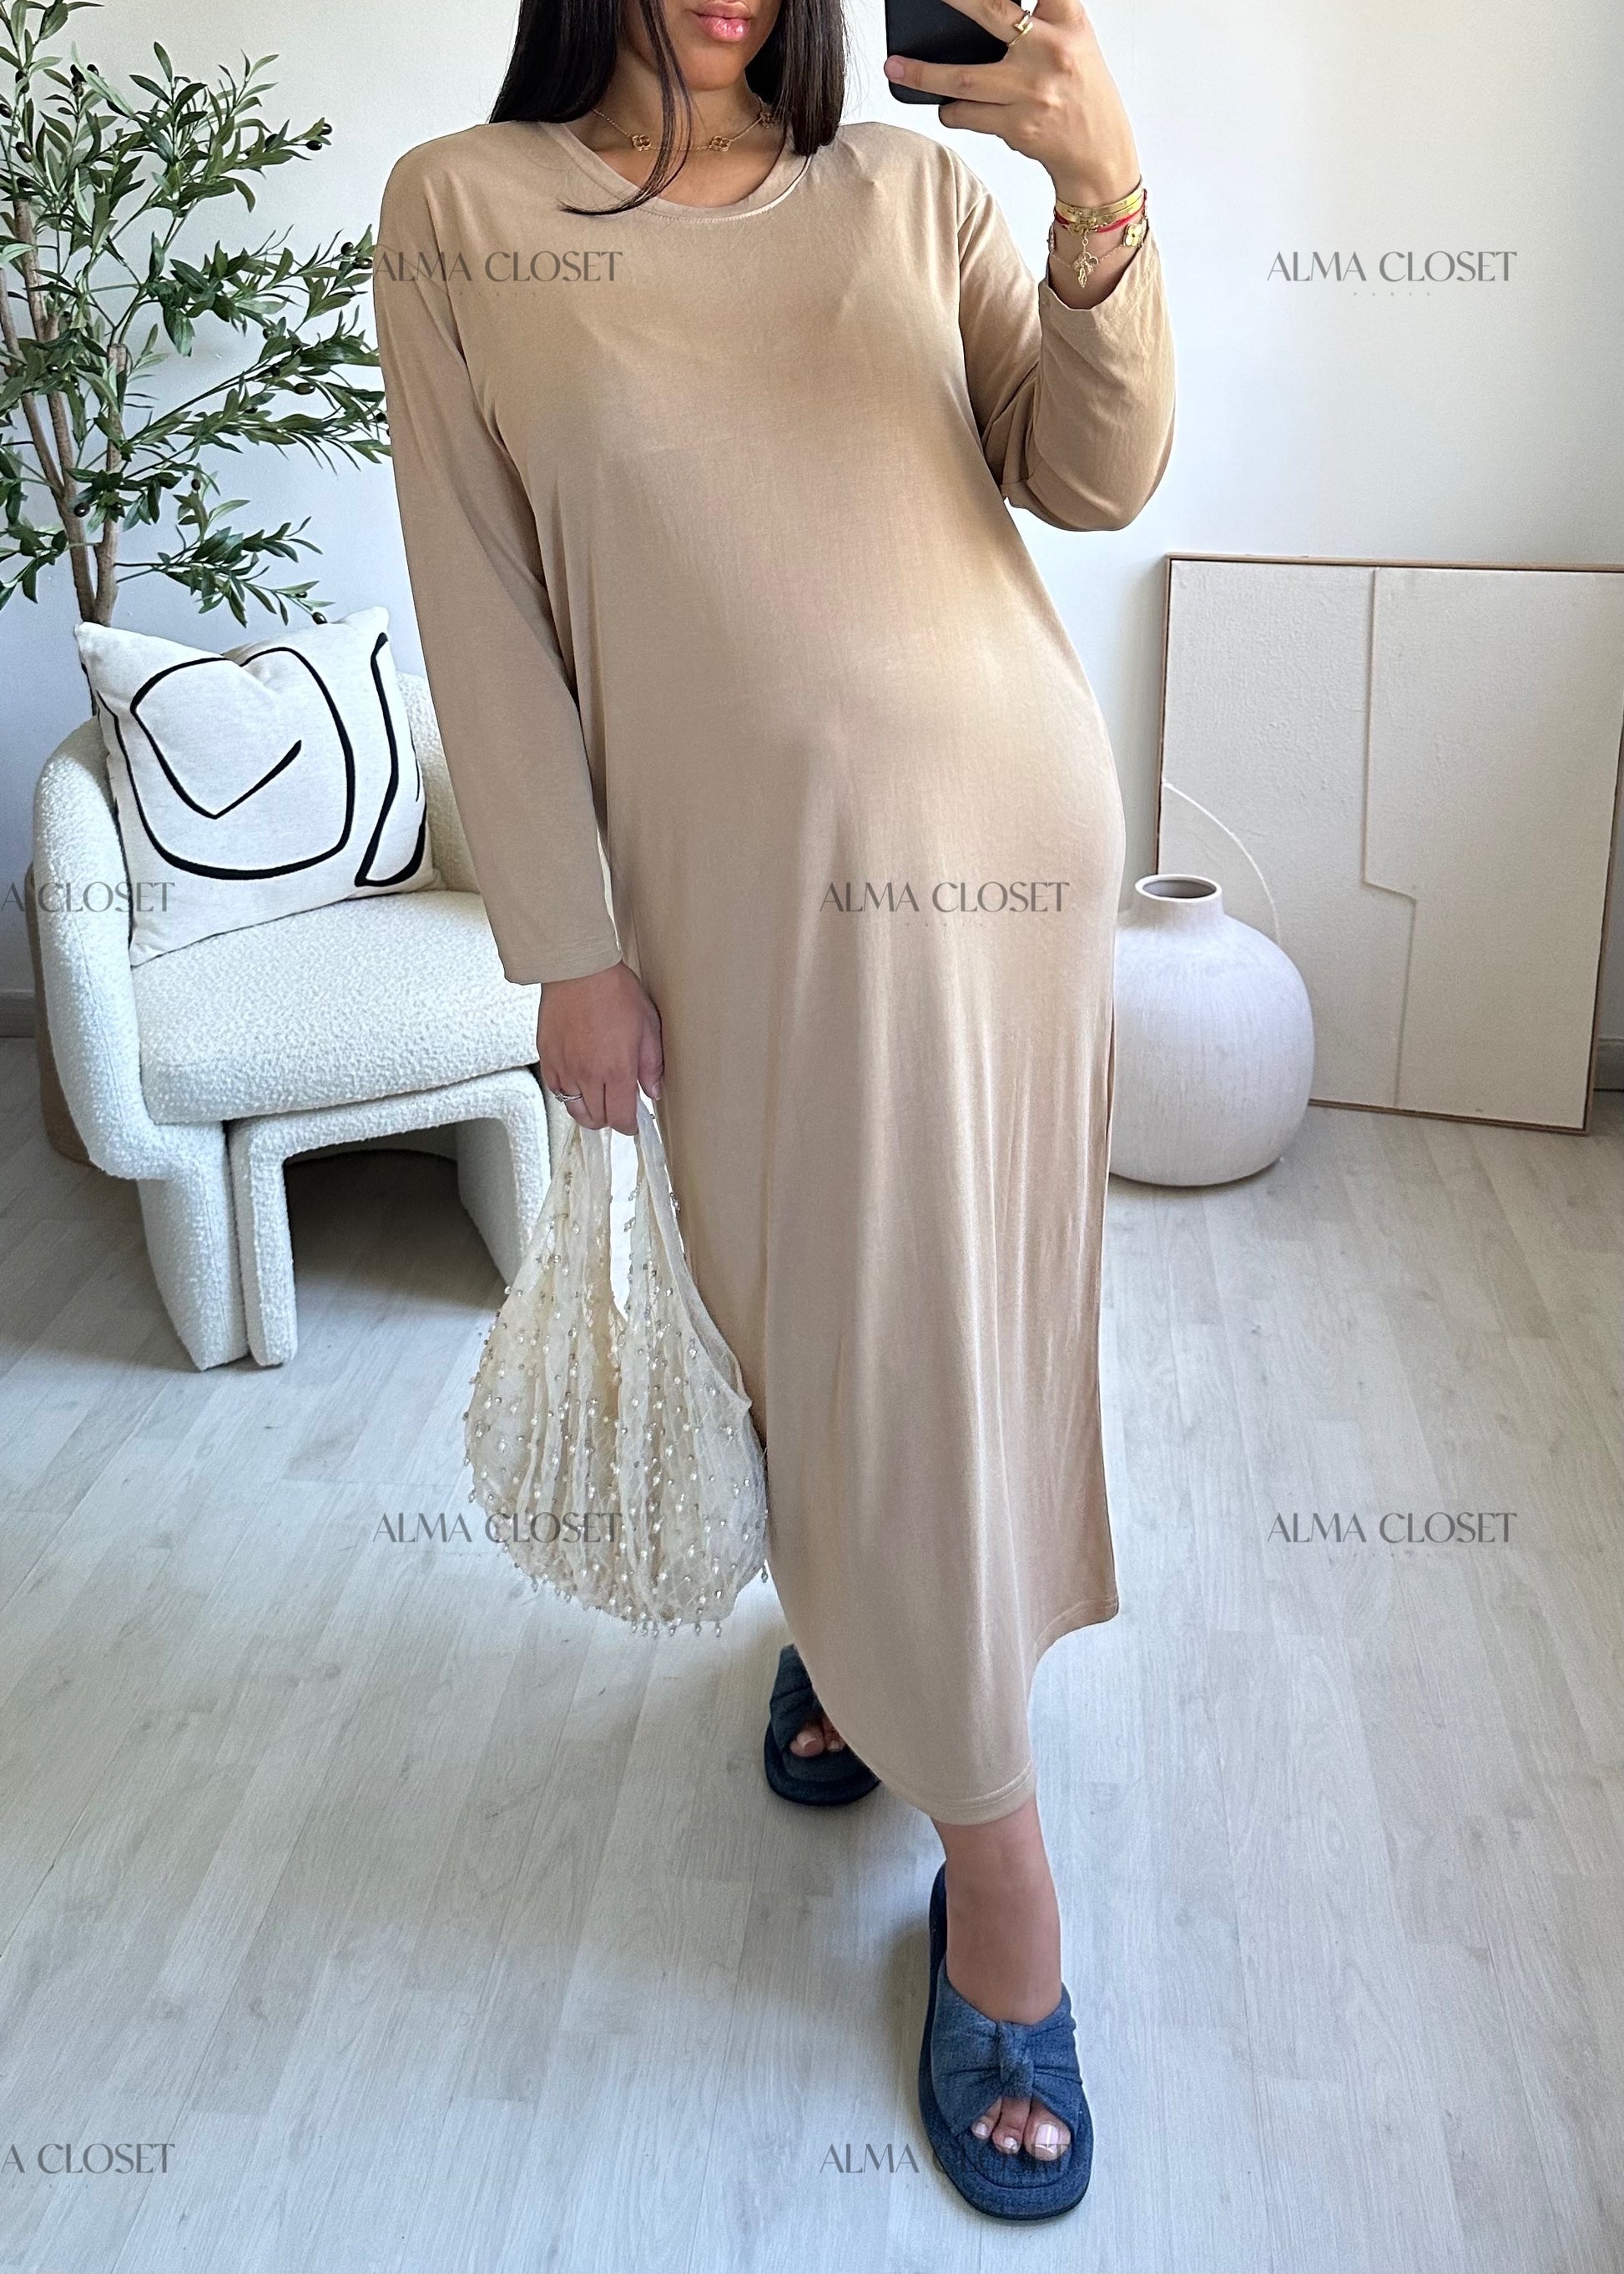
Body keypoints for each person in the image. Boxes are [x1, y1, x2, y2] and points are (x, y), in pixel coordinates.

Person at [374, 0, 1173, 2220]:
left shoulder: (913, 193)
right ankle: (855, 1632)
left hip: (1007, 847)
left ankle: (998, 1880)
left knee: (933, 1335)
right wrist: (564, 941)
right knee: (796, 1309)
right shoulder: (466, 213)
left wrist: (1097, 188)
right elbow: (477, 601)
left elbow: (1094, 475)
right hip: (742, 893)